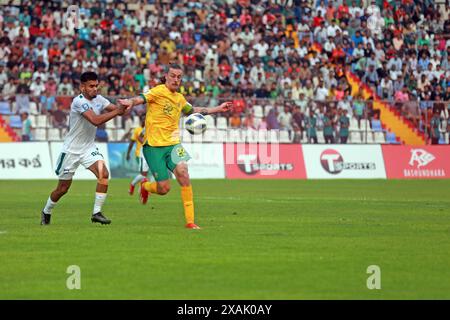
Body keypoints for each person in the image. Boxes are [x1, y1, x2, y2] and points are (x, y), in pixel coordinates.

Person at [118, 63, 232, 230]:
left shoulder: (179, 98)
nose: (176, 79)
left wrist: (218, 109)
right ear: (166, 76)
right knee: (164, 188)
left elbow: (193, 110)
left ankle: (190, 222)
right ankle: (145, 186)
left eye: (179, 77)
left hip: (173, 144)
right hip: (153, 146)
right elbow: (140, 98)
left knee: (184, 173)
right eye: (173, 75)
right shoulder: (157, 91)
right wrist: (129, 101)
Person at [40, 72, 125, 226]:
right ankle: (46, 211)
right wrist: (118, 111)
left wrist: (127, 104)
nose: (95, 89)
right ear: (82, 87)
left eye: (96, 86)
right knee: (62, 189)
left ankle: (96, 213)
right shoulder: (78, 102)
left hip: (88, 148)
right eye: (91, 86)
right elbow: (95, 120)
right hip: (71, 150)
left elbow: (119, 109)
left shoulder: (99, 99)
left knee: (104, 174)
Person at [126, 114, 151, 196]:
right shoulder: (137, 130)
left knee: (145, 174)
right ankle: (133, 186)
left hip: (150, 153)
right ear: (141, 120)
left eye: (145, 119)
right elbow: (132, 142)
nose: (144, 120)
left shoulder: (149, 128)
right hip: (140, 154)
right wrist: (128, 153)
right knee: (143, 174)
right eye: (143, 119)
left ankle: (143, 189)